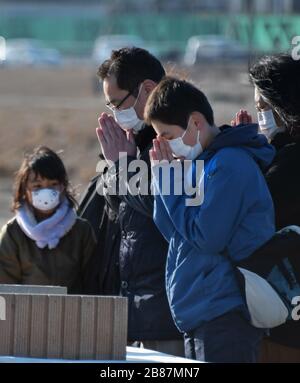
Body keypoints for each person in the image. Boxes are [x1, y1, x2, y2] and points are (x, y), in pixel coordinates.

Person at [144, 76, 276, 362]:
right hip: (201, 310)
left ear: (195, 122)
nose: (165, 144)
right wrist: (163, 184)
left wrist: (171, 187)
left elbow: (207, 238)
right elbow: (173, 232)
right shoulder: (202, 163)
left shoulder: (229, 164)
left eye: (167, 135)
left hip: (224, 312)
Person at [92, 47, 184, 356]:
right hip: (132, 313)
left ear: (147, 89)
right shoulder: (134, 141)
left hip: (166, 314)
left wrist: (121, 166)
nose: (115, 115)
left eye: (118, 103)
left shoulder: (177, 139)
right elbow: (116, 213)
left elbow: (162, 205)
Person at [232, 54, 300, 362]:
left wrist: (244, 164)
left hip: (285, 326)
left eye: (264, 108)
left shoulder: (287, 164)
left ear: (286, 106)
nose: (261, 117)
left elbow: (244, 217)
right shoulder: (279, 156)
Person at [0, 146, 96, 294]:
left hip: (72, 313)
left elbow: (92, 282)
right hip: (24, 313)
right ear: (25, 189)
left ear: (63, 187)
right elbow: (5, 287)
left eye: (53, 184)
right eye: (37, 186)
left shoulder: (81, 231)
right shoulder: (13, 233)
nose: (45, 191)